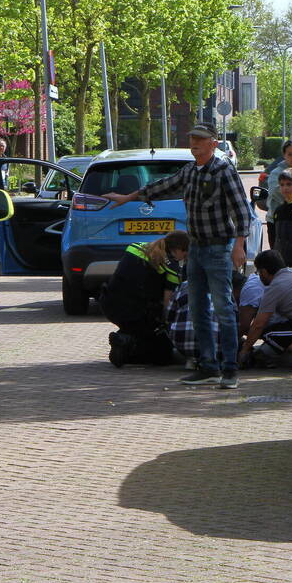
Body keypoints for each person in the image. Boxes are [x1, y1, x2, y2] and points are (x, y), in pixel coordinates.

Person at [103, 121, 252, 390]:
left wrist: (239, 245)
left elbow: (241, 210)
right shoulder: (190, 171)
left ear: (213, 143)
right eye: (192, 138)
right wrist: (128, 198)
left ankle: (230, 369)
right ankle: (208, 366)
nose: (194, 143)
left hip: (218, 248)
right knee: (197, 308)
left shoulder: (223, 170)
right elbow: (164, 186)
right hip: (195, 248)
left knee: (223, 308)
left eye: (200, 139)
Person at [102, 231, 189, 367]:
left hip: (109, 303)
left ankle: (124, 337)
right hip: (136, 312)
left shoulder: (136, 247)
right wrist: (167, 325)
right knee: (163, 355)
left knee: (139, 329)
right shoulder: (171, 267)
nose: (183, 258)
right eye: (185, 254)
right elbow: (168, 304)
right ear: (178, 249)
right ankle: (127, 345)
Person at [238, 250, 292, 373]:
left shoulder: (274, 287)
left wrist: (245, 350)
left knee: (268, 333)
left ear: (264, 271)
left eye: (259, 272)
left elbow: (258, 325)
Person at [265, 139, 292, 247]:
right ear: (284, 155)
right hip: (276, 221)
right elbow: (277, 192)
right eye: (290, 154)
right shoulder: (275, 173)